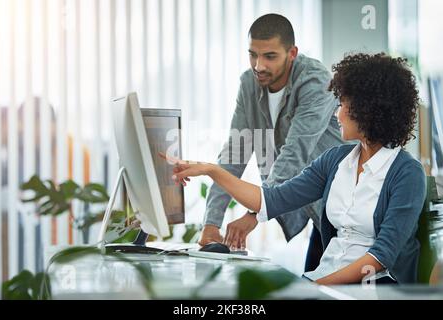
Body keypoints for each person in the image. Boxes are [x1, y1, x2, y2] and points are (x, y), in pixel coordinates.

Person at [163, 53, 426, 284]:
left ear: (368, 109)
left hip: (372, 289)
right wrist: (211, 170)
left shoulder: (406, 173)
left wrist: (315, 285)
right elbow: (271, 199)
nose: (337, 113)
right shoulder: (335, 160)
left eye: (343, 104)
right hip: (325, 281)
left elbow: (380, 258)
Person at [200, 13, 343, 268]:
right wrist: (211, 224)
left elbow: (294, 153)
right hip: (317, 213)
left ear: (292, 53)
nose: (259, 66)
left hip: (345, 211)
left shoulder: (315, 82)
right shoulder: (249, 84)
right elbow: (235, 152)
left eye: (269, 56)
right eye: (253, 54)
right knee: (313, 287)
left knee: (322, 289)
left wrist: (255, 213)